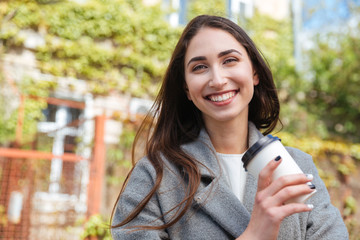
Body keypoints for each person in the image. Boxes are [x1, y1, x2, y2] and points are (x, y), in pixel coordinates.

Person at [111, 15, 349, 239]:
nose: (218, 80)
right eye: (199, 67)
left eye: (230, 60)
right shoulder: (155, 175)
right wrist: (253, 235)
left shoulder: (299, 166)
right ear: (186, 89)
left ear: (254, 72)